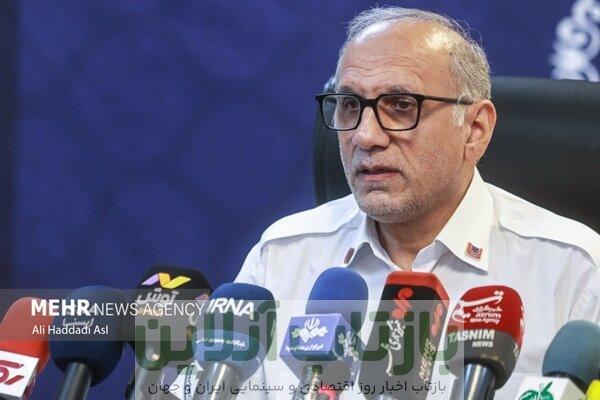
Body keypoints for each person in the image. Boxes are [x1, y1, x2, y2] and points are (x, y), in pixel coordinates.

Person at [236, 6, 599, 399]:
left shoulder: (574, 269)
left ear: (475, 130)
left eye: (401, 106)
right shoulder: (282, 257)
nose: (366, 136)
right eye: (350, 105)